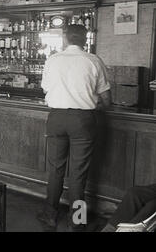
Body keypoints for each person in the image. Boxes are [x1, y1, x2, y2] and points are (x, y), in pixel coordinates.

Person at [37, 24, 112, 231]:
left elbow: (45, 88)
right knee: (79, 173)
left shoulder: (52, 60)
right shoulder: (93, 60)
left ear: (65, 38)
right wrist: (96, 103)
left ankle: (50, 215)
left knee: (55, 169)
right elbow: (106, 98)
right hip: (83, 120)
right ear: (85, 39)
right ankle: (77, 219)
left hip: (57, 118)